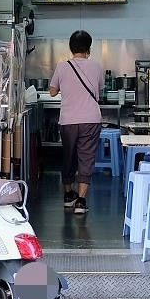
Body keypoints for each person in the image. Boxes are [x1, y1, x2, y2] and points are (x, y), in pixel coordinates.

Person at [49, 30, 103, 215]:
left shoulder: (62, 67)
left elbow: (53, 92)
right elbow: (99, 91)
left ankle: (67, 196)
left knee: (68, 156)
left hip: (68, 120)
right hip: (91, 119)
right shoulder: (96, 67)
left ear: (71, 48)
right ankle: (81, 201)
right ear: (89, 48)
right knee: (86, 158)